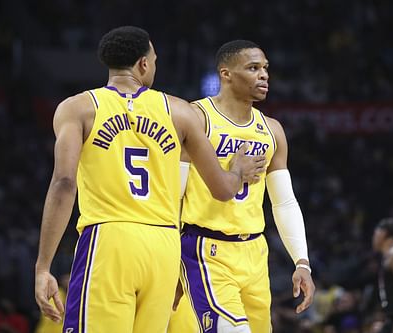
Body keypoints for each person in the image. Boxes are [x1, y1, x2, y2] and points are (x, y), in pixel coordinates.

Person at [34, 26, 266, 333]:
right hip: (164, 246)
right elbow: (223, 189)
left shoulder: (78, 108)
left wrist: (43, 266)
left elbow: (64, 183)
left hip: (110, 238)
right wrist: (238, 171)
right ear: (144, 63)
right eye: (154, 59)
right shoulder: (180, 112)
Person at [168, 40, 315, 333]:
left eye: (265, 69)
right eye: (253, 68)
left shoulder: (272, 130)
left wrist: (302, 262)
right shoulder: (197, 118)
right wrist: (169, 260)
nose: (264, 75)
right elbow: (173, 195)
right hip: (204, 248)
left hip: (255, 253)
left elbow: (284, 202)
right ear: (226, 74)